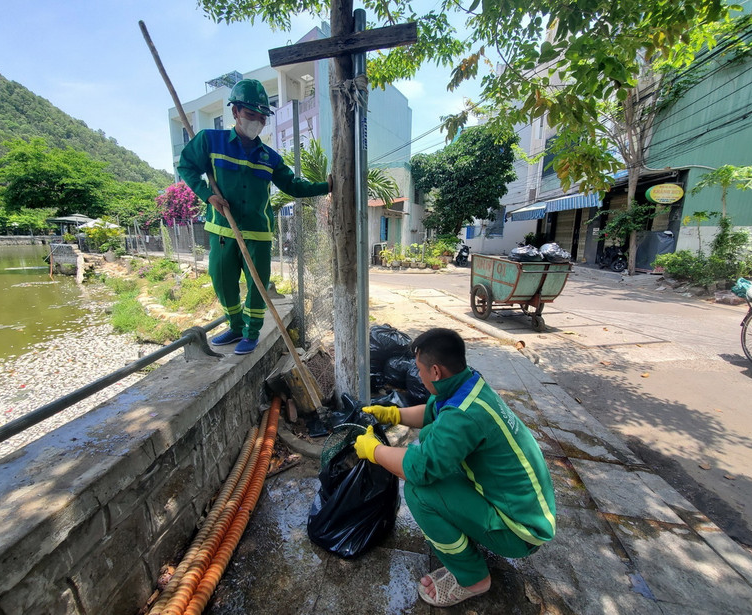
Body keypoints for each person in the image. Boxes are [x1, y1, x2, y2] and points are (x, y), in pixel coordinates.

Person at [354, 328, 556, 608]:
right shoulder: (468, 383)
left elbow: (418, 468)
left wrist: (373, 451)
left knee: (418, 490)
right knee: (430, 443)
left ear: (435, 371)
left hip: (520, 531)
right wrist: (393, 413)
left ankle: (472, 578)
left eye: (420, 369)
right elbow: (432, 411)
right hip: (528, 506)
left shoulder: (463, 416)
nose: (419, 375)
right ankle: (473, 541)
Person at [178, 78, 332, 355]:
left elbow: (294, 186)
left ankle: (251, 333)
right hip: (223, 229)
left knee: (257, 287)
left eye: (262, 118)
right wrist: (207, 194)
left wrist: (327, 186)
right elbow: (187, 166)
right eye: (251, 115)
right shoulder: (210, 141)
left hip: (258, 234)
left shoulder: (269, 157)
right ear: (235, 111)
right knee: (222, 282)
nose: (257, 122)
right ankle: (236, 326)